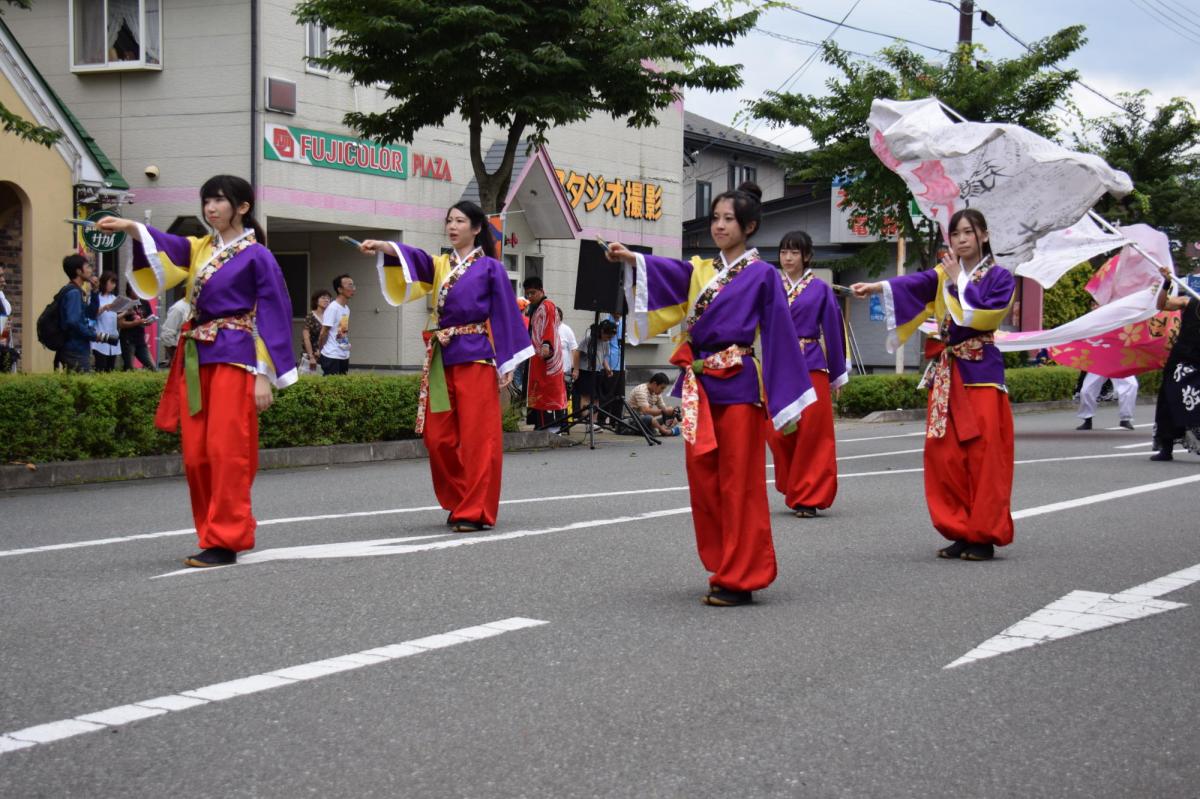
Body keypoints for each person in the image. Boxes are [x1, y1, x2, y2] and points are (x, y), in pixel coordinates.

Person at [606, 182, 813, 607]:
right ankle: (723, 566)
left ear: (749, 226)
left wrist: (787, 396)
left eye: (728, 219)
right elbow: (667, 273)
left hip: (738, 386)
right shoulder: (702, 270)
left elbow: (778, 335)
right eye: (715, 218)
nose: (719, 225)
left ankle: (744, 573)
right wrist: (633, 260)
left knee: (740, 481)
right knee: (705, 479)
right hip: (700, 387)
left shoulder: (763, 276)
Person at [95, 174, 296, 567]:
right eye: (207, 201)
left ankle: (227, 537)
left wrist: (262, 374)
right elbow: (165, 247)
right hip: (196, 358)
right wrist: (132, 227)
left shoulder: (259, 256)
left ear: (242, 207)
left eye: (220, 200)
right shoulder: (199, 248)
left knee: (227, 451)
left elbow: (273, 315)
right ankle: (210, 533)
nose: (211, 208)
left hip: (236, 359)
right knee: (196, 456)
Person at [851, 208, 1016, 562]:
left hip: (982, 375)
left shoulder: (1001, 278)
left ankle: (983, 534)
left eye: (968, 232)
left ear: (984, 236)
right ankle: (958, 528)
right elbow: (913, 284)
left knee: (983, 457)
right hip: (947, 374)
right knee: (946, 457)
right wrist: (875, 286)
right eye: (955, 233)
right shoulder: (944, 274)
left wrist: (959, 281)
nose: (961, 239)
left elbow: (986, 313)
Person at [359, 201, 533, 532]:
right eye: (449, 221)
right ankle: (460, 499)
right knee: (438, 438)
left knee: (478, 438)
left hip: (477, 358)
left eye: (460, 221)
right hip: (442, 358)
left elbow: (505, 314)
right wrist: (384, 246)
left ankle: (474, 509)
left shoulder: (491, 268)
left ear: (477, 228)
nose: (452, 226)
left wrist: (506, 360)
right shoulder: (441, 265)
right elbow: (416, 262)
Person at [767, 229, 848, 518]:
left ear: (807, 256)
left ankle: (808, 496)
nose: (788, 258)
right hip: (778, 366)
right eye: (784, 252)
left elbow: (834, 331)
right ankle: (794, 485)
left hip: (811, 365)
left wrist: (838, 373)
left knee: (812, 433)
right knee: (778, 432)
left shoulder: (820, 289)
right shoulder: (771, 285)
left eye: (794, 252)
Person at [1150, 266, 1200, 460]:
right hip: (1182, 360)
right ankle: (1166, 446)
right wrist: (1167, 283)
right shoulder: (1188, 301)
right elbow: (1161, 304)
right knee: (1169, 400)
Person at [523, 276, 566, 428]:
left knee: (548, 391)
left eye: (533, 293)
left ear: (542, 291)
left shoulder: (548, 306)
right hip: (537, 356)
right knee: (537, 389)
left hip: (547, 357)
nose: (530, 297)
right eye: (527, 294)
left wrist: (547, 344)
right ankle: (540, 423)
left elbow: (549, 327)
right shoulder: (536, 309)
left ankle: (552, 425)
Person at [56, 254, 107, 373]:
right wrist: (93, 335)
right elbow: (73, 322)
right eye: (87, 267)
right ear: (79, 271)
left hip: (78, 348)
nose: (90, 270)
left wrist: (94, 292)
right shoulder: (73, 293)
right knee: (82, 387)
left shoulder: (77, 291)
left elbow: (91, 314)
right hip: (74, 349)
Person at [575, 319, 617, 424]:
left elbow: (602, 357)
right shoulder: (589, 340)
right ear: (602, 332)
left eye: (611, 337)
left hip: (597, 371)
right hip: (585, 371)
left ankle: (594, 422)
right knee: (586, 396)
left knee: (596, 398)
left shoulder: (605, 343)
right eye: (608, 336)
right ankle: (588, 422)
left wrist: (607, 368)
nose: (609, 339)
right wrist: (576, 369)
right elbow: (577, 353)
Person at [318, 274, 354, 375]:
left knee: (342, 389)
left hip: (343, 355)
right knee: (331, 389)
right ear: (340, 289)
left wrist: (346, 345)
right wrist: (320, 351)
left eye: (353, 285)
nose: (353, 289)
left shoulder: (346, 309)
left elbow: (341, 332)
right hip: (331, 356)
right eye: (349, 286)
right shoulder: (333, 308)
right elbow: (323, 333)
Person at [118, 283, 157, 371]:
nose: (137, 291)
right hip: (127, 340)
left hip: (140, 340)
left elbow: (148, 318)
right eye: (135, 289)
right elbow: (120, 324)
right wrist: (136, 323)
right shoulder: (123, 303)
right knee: (129, 368)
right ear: (129, 290)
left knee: (153, 368)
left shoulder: (144, 302)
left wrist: (148, 322)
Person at [629, 372, 680, 436]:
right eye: (662, 388)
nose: (663, 391)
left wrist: (672, 412)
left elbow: (663, 408)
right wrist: (663, 411)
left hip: (646, 420)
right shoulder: (641, 391)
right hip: (633, 421)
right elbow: (646, 411)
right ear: (654, 384)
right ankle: (664, 431)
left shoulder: (656, 393)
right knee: (649, 418)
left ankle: (662, 430)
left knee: (673, 417)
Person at [91, 272, 121, 372]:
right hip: (100, 337)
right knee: (100, 368)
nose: (113, 285)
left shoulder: (114, 299)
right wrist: (103, 308)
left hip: (113, 337)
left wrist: (126, 312)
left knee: (110, 369)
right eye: (111, 282)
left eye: (115, 283)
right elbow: (91, 315)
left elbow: (114, 318)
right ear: (104, 282)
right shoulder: (96, 297)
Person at [301, 289, 332, 374]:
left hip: (328, 354)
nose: (326, 300)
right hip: (312, 355)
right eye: (323, 298)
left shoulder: (330, 315)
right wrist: (311, 356)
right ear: (316, 301)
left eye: (328, 298)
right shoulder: (310, 316)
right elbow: (306, 338)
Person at [159, 295, 191, 367]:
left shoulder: (203, 306)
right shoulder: (179, 308)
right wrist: (176, 359)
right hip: (183, 357)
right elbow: (166, 336)